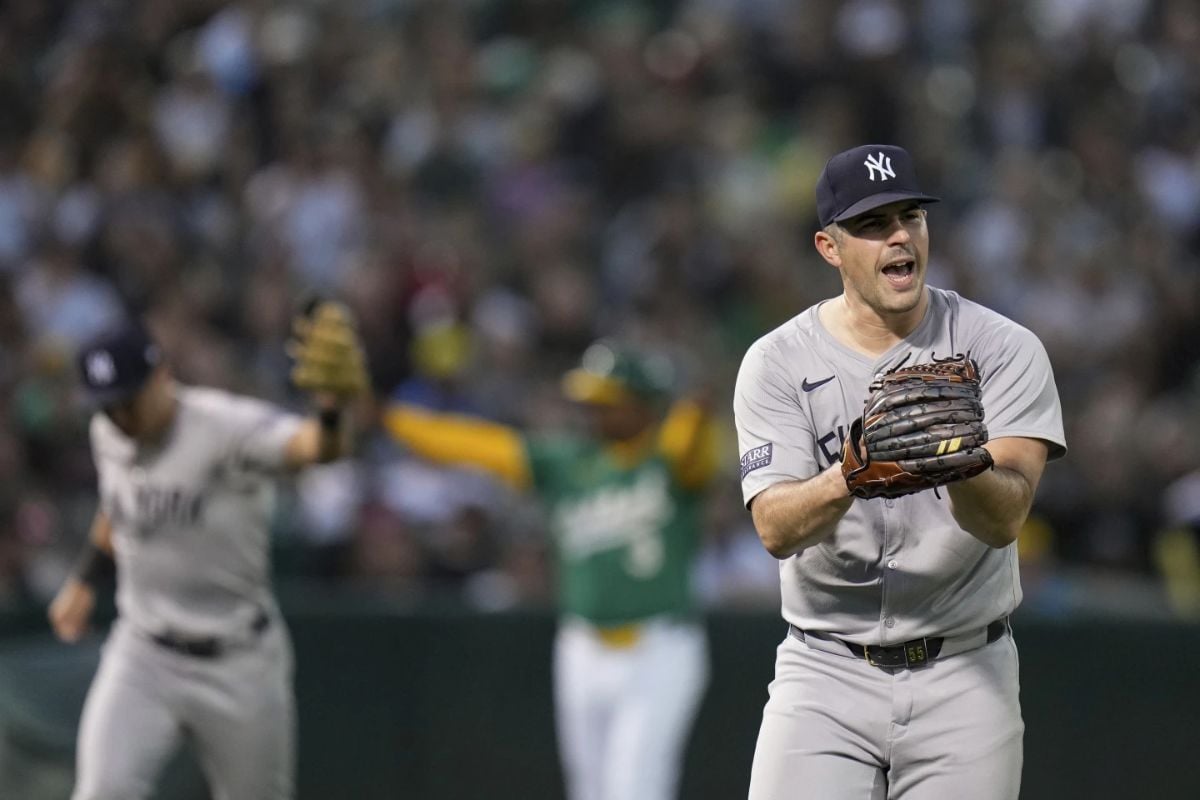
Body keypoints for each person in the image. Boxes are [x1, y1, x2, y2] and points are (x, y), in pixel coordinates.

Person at [733, 144, 1066, 800]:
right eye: (872, 224)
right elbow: (775, 529)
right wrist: (850, 476)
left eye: (910, 216)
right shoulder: (775, 361)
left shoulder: (1002, 347)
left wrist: (957, 458)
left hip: (965, 670)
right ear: (829, 248)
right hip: (824, 670)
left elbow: (1005, 520)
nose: (898, 236)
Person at [48, 303, 367, 800]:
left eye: (129, 399)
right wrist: (84, 580)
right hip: (143, 654)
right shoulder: (108, 432)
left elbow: (316, 449)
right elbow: (118, 507)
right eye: (107, 405)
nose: (119, 415)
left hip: (238, 661)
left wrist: (330, 411)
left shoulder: (224, 427)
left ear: (162, 375)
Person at [383, 340, 719, 800]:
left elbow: (695, 443)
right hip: (581, 648)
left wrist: (692, 410)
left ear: (643, 406)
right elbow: (476, 445)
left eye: (608, 402)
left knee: (636, 788)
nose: (593, 412)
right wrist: (388, 418)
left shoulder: (671, 461)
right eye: (590, 401)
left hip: (658, 649)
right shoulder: (565, 463)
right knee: (589, 791)